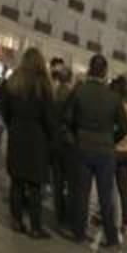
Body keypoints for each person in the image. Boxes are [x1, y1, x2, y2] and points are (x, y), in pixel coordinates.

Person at [63, 54, 127, 247]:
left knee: (82, 193)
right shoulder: (114, 97)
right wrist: (111, 139)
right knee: (105, 196)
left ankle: (79, 233)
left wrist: (76, 139)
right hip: (106, 151)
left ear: (90, 69)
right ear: (105, 72)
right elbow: (124, 127)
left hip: (83, 147)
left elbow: (66, 120)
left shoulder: (79, 91)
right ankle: (111, 237)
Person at [0, 48, 55, 239]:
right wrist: (51, 137)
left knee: (16, 181)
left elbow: (4, 108)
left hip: (17, 134)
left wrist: (12, 125)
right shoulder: (43, 84)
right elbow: (49, 117)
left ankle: (16, 221)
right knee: (35, 186)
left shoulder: (14, 80)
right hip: (37, 139)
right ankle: (35, 227)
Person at [47, 58, 74, 228]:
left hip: (54, 140)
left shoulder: (55, 92)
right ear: (70, 79)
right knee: (64, 181)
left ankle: (59, 213)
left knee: (57, 181)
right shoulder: (70, 94)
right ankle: (63, 215)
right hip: (65, 143)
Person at [110, 75, 127, 236]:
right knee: (123, 190)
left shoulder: (115, 107)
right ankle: (126, 222)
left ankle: (106, 216)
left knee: (109, 186)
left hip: (115, 150)